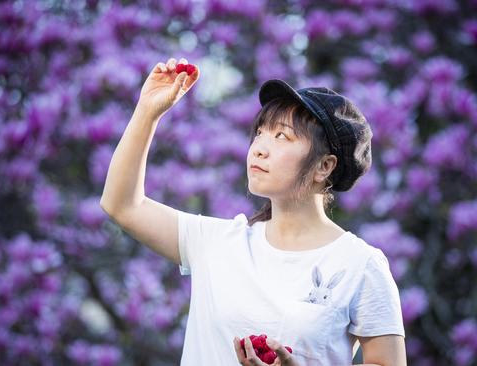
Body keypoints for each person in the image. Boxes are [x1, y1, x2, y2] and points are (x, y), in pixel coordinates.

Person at [100, 57, 407, 366]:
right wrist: (148, 111)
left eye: (282, 136)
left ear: (324, 166)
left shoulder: (360, 264)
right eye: (260, 132)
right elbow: (122, 205)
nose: (259, 147)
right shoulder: (216, 243)